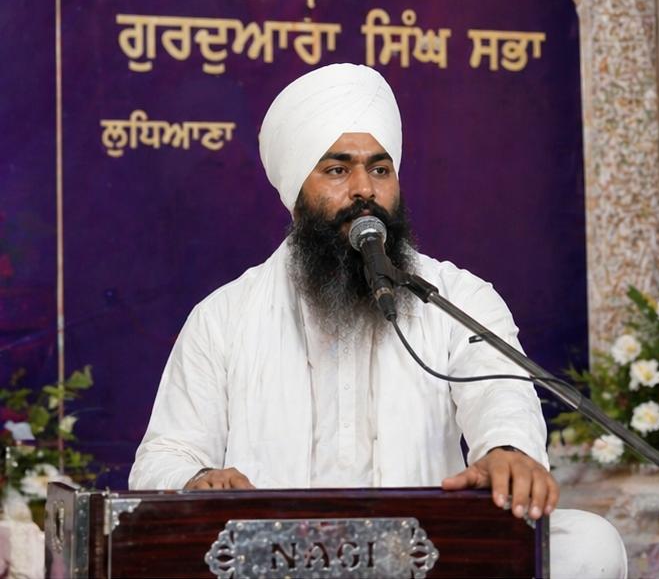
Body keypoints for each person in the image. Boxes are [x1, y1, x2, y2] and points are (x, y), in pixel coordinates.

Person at [130, 63, 627, 578]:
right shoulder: (224, 317)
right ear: (297, 191)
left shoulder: (456, 297)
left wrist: (507, 450)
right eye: (337, 170)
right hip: (276, 562)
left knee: (589, 544)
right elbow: (163, 456)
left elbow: (499, 395)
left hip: (423, 559)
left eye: (380, 169)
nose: (364, 189)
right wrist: (197, 480)